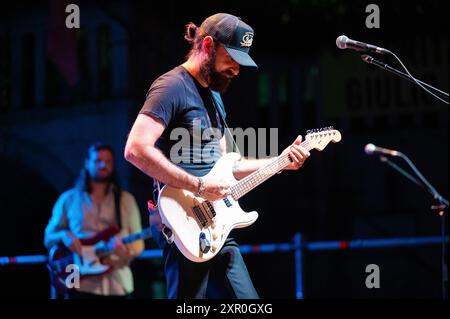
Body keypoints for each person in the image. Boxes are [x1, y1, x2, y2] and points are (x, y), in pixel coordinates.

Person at [124, 13, 310, 299]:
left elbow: (230, 165)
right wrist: (198, 186)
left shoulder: (214, 97)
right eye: (232, 58)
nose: (236, 69)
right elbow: (136, 149)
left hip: (217, 223)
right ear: (208, 45)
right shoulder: (172, 86)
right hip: (181, 219)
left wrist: (281, 160)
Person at [44, 142, 144, 299]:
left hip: (117, 283)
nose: (103, 165)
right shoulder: (68, 199)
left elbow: (138, 244)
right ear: (87, 163)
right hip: (78, 282)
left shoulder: (126, 200)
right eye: (98, 160)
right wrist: (64, 236)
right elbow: (48, 237)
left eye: (109, 161)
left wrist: (126, 252)